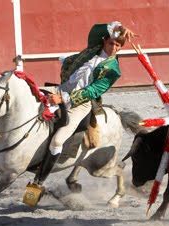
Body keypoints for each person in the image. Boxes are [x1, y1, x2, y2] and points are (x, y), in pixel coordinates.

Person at [26, 21, 136, 200]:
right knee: (28, 93)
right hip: (60, 89)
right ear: (104, 42)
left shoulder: (113, 70)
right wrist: (118, 28)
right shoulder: (94, 48)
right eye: (111, 43)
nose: (114, 47)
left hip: (80, 103)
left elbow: (92, 91)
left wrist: (64, 99)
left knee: (57, 141)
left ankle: (38, 183)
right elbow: (95, 29)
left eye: (118, 45)